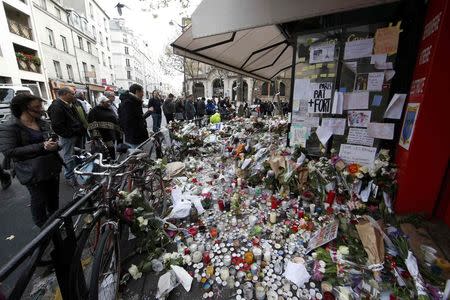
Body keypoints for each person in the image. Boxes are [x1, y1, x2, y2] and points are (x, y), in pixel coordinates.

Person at [0, 94, 62, 227]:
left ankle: (55, 223)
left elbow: (54, 139)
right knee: (39, 200)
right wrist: (41, 146)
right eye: (37, 107)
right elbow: (9, 151)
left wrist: (56, 145)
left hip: (50, 167)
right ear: (24, 108)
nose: (41, 109)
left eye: (41, 105)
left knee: (53, 198)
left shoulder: (42, 122)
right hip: (31, 171)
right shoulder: (10, 126)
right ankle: (44, 229)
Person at [47, 87, 86, 185]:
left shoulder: (68, 104)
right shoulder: (57, 106)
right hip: (69, 137)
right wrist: (69, 134)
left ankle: (77, 174)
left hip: (75, 134)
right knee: (69, 157)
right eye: (72, 94)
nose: (74, 96)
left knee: (76, 156)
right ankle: (69, 176)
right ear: (65, 94)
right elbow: (57, 126)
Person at [118, 84, 150, 148]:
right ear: (137, 92)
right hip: (134, 137)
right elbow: (128, 122)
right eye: (142, 92)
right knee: (137, 155)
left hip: (137, 136)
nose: (143, 94)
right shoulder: (128, 103)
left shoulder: (134, 101)